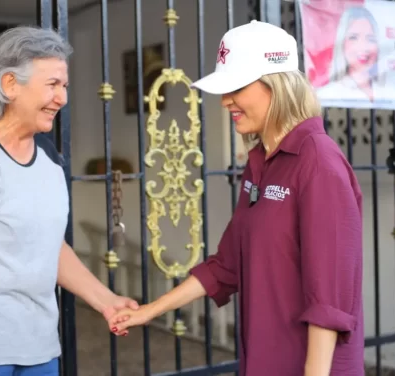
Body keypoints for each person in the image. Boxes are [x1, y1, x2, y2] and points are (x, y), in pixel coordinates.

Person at [109, 20, 365, 376]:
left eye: (237, 87)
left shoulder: (319, 163)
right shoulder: (261, 162)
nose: (226, 100)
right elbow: (227, 265)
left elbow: (330, 300)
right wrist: (149, 311)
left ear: (276, 85)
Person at [0, 26, 138, 376]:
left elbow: (50, 246)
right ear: (9, 85)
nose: (62, 98)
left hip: (38, 350)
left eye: (64, 86)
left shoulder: (47, 154)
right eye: (52, 85)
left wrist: (106, 301)